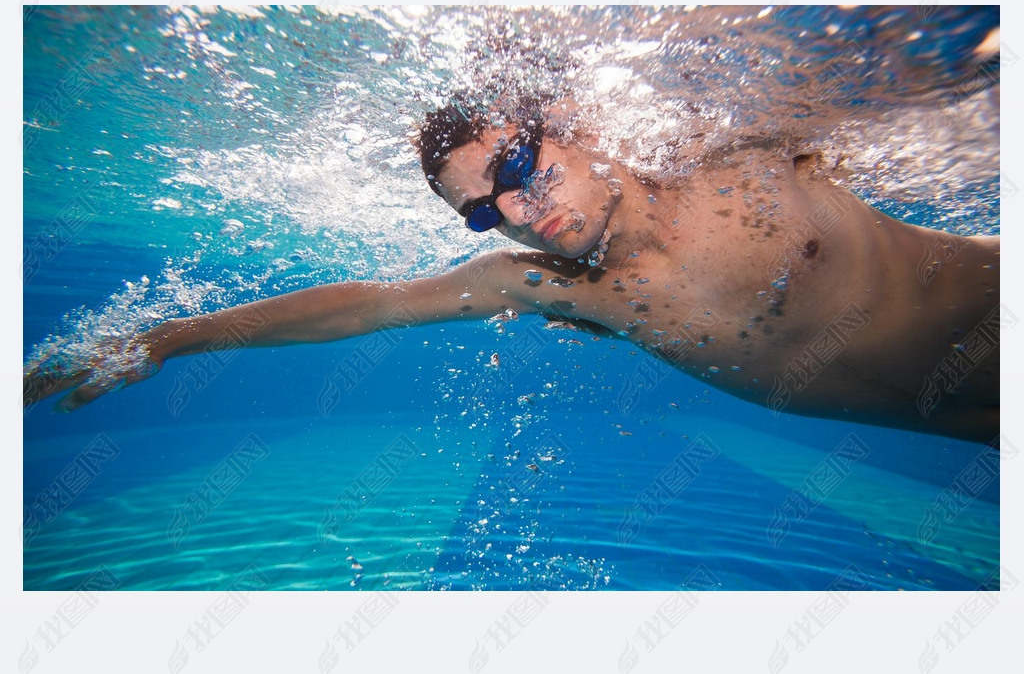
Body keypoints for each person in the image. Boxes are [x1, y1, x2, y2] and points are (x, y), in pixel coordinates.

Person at [24, 94, 999, 442]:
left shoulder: (737, 154)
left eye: (520, 167)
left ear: (571, 129)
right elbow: (365, 308)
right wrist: (165, 338)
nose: (518, 207)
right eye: (486, 207)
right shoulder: (559, 287)